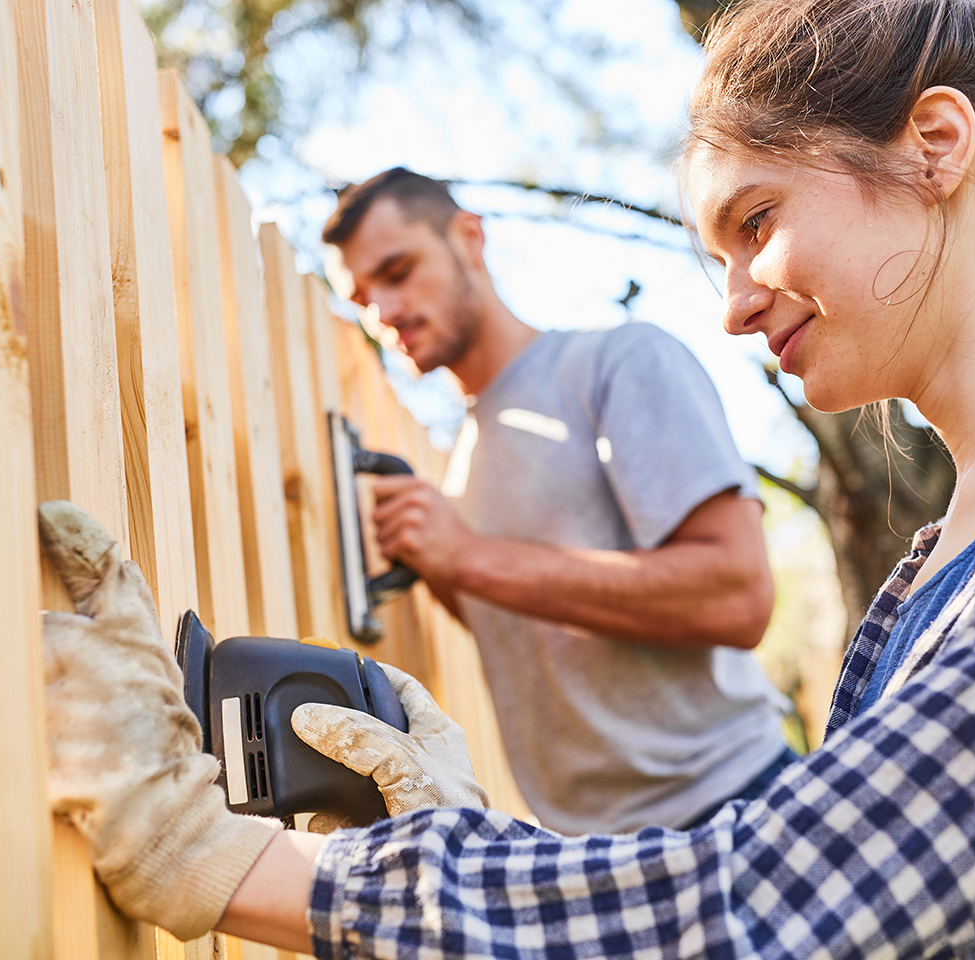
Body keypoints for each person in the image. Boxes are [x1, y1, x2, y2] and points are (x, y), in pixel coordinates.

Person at [37, 0, 975, 954]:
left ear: (936, 145)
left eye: (757, 221)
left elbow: (782, 902)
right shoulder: (937, 569)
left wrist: (223, 860)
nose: (733, 306)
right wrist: (471, 841)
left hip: (714, 830)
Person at [318, 167, 794, 836]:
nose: (385, 312)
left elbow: (737, 596)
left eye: (398, 272)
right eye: (362, 299)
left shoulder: (618, 363)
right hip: (585, 852)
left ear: (468, 237)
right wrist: (450, 566)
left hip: (736, 810)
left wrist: (469, 557)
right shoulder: (459, 467)